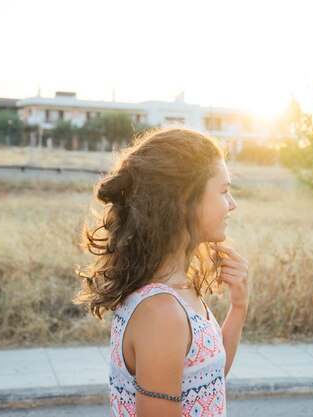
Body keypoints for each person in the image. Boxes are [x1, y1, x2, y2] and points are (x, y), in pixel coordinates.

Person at [74, 126, 249, 417]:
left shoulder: (177, 289)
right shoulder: (161, 313)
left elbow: (208, 380)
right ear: (184, 200)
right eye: (224, 191)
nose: (233, 205)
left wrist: (239, 307)